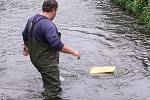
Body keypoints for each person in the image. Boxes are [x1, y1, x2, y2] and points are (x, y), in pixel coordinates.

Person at [22, 0, 81, 100]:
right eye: (56, 11)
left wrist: (26, 47)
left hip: (35, 59)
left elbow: (24, 34)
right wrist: (73, 52)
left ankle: (46, 89)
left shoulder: (31, 19)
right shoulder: (48, 25)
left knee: (50, 82)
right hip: (46, 63)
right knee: (53, 92)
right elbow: (56, 44)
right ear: (53, 10)